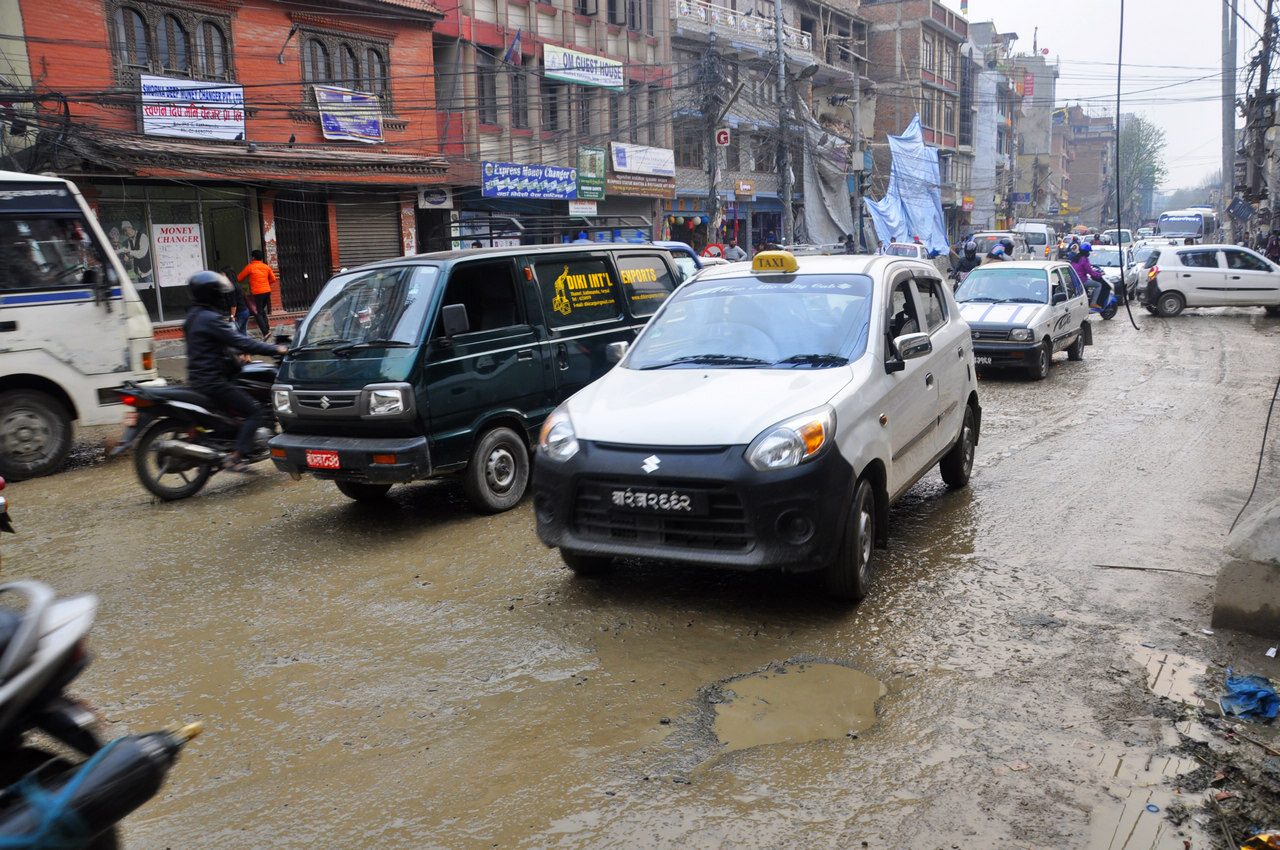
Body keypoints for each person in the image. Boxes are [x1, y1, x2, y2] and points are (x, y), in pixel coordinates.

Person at [183, 271, 287, 473]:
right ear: (211, 294)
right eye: (219, 293)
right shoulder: (210, 319)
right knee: (254, 412)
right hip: (213, 381)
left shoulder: (193, 317)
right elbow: (239, 341)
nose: (222, 297)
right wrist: (275, 349)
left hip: (197, 379)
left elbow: (213, 344)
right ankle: (236, 457)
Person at [237, 249, 277, 338]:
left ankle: (265, 332)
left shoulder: (250, 267)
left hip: (257, 292)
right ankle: (267, 328)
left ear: (253, 257)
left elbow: (239, 279)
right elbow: (273, 279)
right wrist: (266, 283)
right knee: (262, 310)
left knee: (258, 312)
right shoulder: (266, 266)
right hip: (267, 291)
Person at [1070, 242, 1110, 308]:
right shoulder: (1084, 259)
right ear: (1086, 252)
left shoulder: (1075, 258)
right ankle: (1093, 303)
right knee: (1099, 285)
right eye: (1088, 252)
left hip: (1074, 280)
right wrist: (1099, 274)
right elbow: (1090, 271)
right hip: (1082, 280)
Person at [222, 265, 253, 335]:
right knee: (243, 334)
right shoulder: (236, 285)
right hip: (244, 311)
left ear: (228, 275)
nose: (222, 277)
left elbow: (233, 304)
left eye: (223, 275)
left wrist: (232, 316)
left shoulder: (231, 287)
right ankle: (246, 345)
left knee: (235, 335)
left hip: (239, 313)